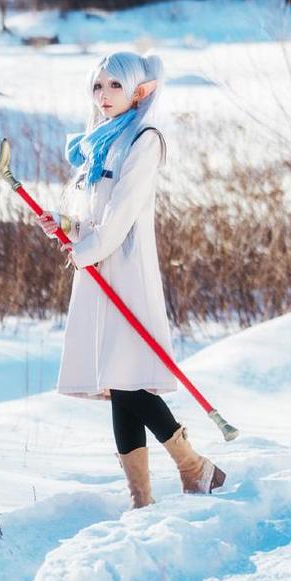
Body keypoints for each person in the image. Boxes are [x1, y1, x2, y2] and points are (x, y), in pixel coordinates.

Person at [37, 49, 226, 510]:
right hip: (99, 268)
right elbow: (98, 214)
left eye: (114, 86)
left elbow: (121, 216)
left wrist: (85, 251)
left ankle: (188, 471)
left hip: (125, 272)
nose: (103, 95)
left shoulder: (145, 138)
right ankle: (166, 484)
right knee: (120, 382)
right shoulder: (101, 140)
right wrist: (66, 224)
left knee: (127, 381)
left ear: (139, 90)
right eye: (97, 86)